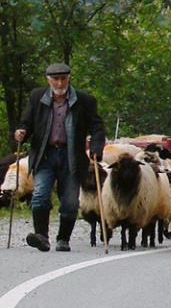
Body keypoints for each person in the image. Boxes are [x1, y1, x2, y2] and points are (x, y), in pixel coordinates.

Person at [13, 63, 105, 252]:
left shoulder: (84, 101)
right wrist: (22, 131)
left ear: (69, 78)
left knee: (70, 201)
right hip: (44, 155)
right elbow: (28, 122)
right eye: (55, 79)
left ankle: (63, 239)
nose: (60, 82)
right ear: (48, 80)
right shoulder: (37, 97)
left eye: (63, 78)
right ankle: (41, 236)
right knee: (39, 194)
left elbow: (97, 126)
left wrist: (96, 148)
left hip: (71, 155)